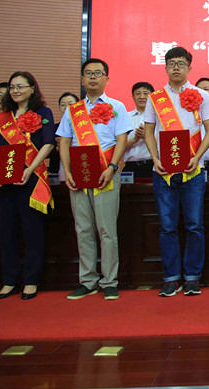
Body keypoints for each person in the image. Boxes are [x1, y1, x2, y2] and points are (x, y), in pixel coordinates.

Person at [57, 58, 132, 300]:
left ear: (106, 79)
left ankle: (109, 281)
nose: (92, 77)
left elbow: (121, 140)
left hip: (106, 173)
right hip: (79, 174)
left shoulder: (116, 106)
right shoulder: (74, 110)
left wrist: (112, 167)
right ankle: (87, 281)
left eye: (97, 73)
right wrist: (67, 172)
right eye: (88, 73)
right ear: (82, 79)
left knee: (107, 230)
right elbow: (65, 142)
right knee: (83, 229)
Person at [144, 47, 209, 297]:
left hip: (193, 170)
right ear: (165, 67)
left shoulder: (201, 95)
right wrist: (155, 158)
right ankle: (171, 278)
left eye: (181, 63)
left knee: (195, 225)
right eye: (172, 63)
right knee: (167, 227)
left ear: (189, 68)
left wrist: (197, 157)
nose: (176, 67)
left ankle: (193, 277)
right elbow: (149, 132)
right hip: (163, 171)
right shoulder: (156, 98)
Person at [0, 72, 55, 300]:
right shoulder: (4, 116)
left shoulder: (43, 113)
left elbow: (48, 144)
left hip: (31, 178)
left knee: (32, 230)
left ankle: (31, 280)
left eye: (20, 86)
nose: (15, 90)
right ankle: (9, 281)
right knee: (6, 231)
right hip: (4, 178)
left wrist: (30, 168)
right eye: (12, 87)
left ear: (32, 88)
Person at [122, 81, 155, 180]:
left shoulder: (158, 118)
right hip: (129, 167)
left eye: (145, 93)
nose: (142, 97)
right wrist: (134, 140)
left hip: (153, 165)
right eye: (138, 93)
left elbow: (164, 144)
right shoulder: (125, 117)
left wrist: (147, 136)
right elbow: (118, 146)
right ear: (133, 97)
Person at [49, 92, 79, 178]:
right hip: (57, 171)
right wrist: (57, 147)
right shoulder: (54, 129)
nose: (66, 108)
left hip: (81, 168)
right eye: (62, 105)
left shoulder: (84, 127)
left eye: (70, 104)